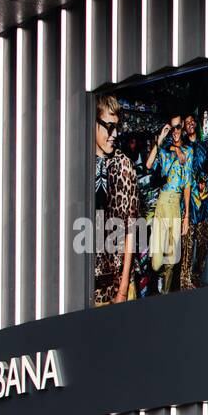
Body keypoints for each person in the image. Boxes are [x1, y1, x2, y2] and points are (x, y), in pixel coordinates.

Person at [93, 94, 139, 306]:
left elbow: (132, 230)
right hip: (91, 285)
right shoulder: (82, 163)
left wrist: (122, 291)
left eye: (117, 127)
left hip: (118, 284)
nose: (114, 134)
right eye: (108, 127)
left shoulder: (124, 165)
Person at [145, 113, 189, 294]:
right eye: (172, 128)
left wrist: (186, 215)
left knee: (171, 261)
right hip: (162, 205)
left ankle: (166, 294)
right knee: (156, 264)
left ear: (183, 128)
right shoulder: (163, 151)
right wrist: (160, 139)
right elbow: (148, 165)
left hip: (176, 207)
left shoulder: (188, 152)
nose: (175, 131)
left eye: (178, 127)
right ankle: (160, 276)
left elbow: (187, 184)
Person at [180, 112, 208, 289]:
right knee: (187, 247)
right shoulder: (182, 149)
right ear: (185, 128)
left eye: (193, 121)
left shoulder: (205, 146)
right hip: (189, 205)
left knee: (202, 245)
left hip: (204, 203)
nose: (190, 124)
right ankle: (184, 282)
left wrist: (206, 185)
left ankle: (197, 276)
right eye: (187, 122)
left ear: (196, 124)